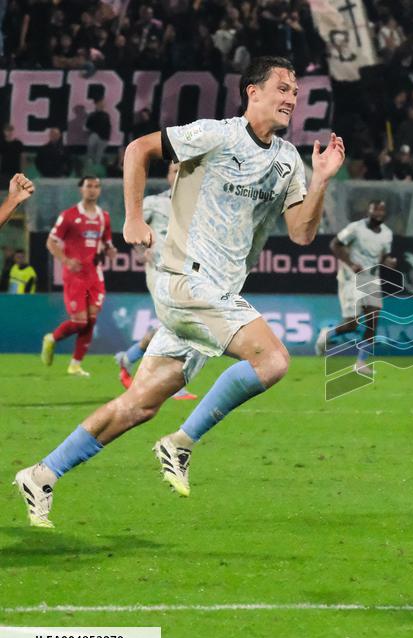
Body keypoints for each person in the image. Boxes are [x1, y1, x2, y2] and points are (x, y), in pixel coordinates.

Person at [14, 56, 346, 528]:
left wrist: (321, 180)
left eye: (295, 90)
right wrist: (131, 216)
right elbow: (137, 150)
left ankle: (42, 473)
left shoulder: (287, 160)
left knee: (141, 405)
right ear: (252, 92)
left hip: (212, 295)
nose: (292, 97)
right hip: (187, 281)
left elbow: (302, 233)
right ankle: (182, 441)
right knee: (272, 360)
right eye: (282, 88)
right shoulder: (217, 135)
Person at [113, 162, 197, 400]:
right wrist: (140, 252)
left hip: (187, 273)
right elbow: (131, 231)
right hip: (159, 270)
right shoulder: (153, 203)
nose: (180, 173)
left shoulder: (199, 205)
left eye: (185, 170)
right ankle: (173, 385)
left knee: (173, 325)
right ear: (168, 176)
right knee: (178, 323)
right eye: (174, 170)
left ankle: (128, 358)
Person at [41, 176, 116, 378]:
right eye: (88, 186)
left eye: (96, 186)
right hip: (75, 276)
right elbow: (51, 242)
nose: (92, 190)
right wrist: (66, 261)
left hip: (95, 275)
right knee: (80, 322)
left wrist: (111, 251)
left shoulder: (104, 217)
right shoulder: (68, 216)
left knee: (91, 321)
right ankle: (52, 338)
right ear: (81, 190)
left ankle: (75, 364)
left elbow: (107, 243)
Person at [316, 200, 396, 377]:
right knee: (352, 323)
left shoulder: (387, 234)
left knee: (373, 319)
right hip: (352, 277)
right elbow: (334, 244)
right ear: (369, 210)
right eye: (375, 209)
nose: (378, 213)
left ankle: (361, 363)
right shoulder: (355, 228)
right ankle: (328, 334)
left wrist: (388, 262)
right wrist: (350, 263)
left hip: (371, 277)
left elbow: (384, 256)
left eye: (382, 210)